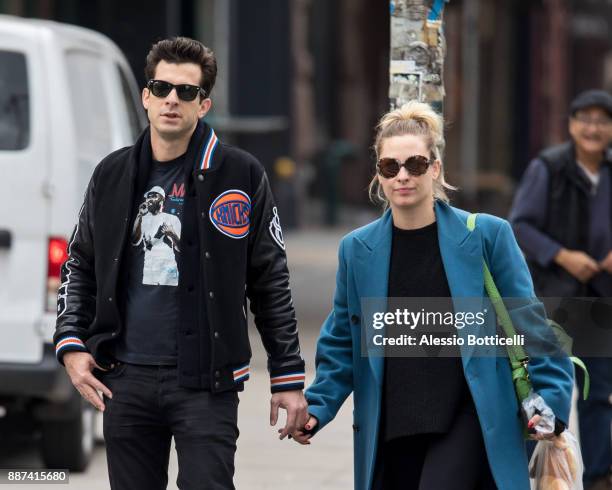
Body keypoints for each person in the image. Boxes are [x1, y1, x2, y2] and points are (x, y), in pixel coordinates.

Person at [53, 37, 308, 490]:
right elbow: (79, 265)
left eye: (186, 91)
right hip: (124, 378)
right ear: (146, 97)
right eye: (162, 87)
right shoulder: (110, 175)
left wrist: (286, 376)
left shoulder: (241, 174)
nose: (173, 99)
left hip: (207, 382)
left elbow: (270, 281)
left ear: (203, 104)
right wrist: (72, 345)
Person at [290, 101, 574, 490]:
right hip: (393, 420)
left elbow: (532, 326)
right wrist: (319, 407)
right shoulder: (357, 249)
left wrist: (552, 401)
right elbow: (342, 339)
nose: (402, 176)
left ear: (435, 168)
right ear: (379, 174)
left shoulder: (487, 235)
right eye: (391, 167)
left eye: (416, 164)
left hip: (469, 414)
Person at [509, 89, 612, 490]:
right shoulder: (548, 167)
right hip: (555, 295)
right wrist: (563, 255)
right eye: (585, 119)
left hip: (601, 297)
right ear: (571, 126)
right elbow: (521, 224)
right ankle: (550, 474)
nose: (593, 128)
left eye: (602, 120)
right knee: (550, 385)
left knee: (599, 392)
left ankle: (600, 476)